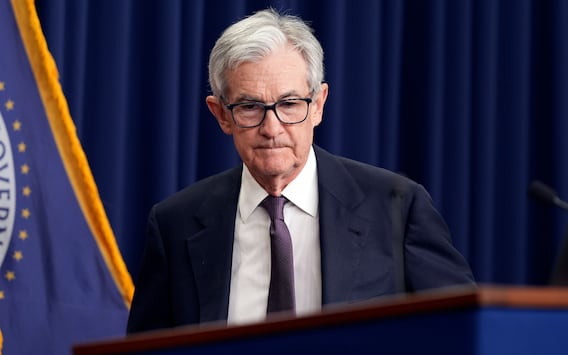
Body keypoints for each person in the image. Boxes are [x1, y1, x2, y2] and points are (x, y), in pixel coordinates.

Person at [126, 8, 475, 333]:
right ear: (221, 115)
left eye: (290, 104)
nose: (272, 127)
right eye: (250, 107)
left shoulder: (397, 209)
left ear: (318, 105)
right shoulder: (176, 224)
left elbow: (461, 336)